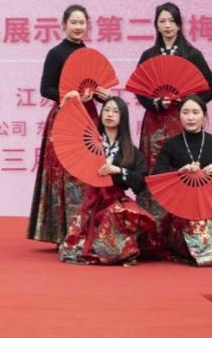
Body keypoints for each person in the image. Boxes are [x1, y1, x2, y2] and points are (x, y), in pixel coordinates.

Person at [27, 4, 112, 245]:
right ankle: (60, 231)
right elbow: (46, 88)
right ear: (63, 25)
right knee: (63, 172)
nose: (78, 27)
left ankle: (84, 229)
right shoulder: (56, 53)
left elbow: (92, 88)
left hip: (88, 119)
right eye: (73, 22)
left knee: (86, 171)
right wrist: (68, 96)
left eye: (82, 23)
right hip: (65, 118)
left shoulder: (89, 54)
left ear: (87, 26)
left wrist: (102, 95)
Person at [134, 2, 212, 236]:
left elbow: (211, 87)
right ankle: (152, 229)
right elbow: (139, 89)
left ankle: (182, 229)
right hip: (154, 123)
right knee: (154, 167)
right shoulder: (149, 55)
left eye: (172, 21)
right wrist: (155, 102)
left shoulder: (192, 54)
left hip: (181, 122)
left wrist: (188, 102)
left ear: (179, 24)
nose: (167, 25)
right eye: (162, 21)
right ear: (156, 25)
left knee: (181, 168)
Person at [59, 96, 156, 265]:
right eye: (107, 110)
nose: (110, 114)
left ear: (122, 118)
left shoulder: (130, 150)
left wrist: (118, 170)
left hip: (116, 202)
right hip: (92, 200)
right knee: (71, 250)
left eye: (115, 111)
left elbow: (140, 181)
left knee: (117, 220)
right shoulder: (88, 142)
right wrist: (67, 101)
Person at [152, 94, 212, 267]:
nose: (190, 117)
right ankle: (206, 252)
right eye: (185, 112)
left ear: (204, 115)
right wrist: (179, 173)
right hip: (182, 207)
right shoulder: (170, 144)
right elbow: (157, 175)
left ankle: (211, 252)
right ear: (179, 116)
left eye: (195, 112)